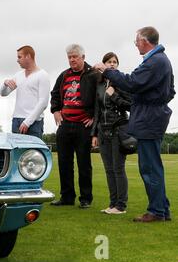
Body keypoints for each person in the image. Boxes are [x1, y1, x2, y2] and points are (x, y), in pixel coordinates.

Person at [94, 26, 175, 222]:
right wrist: (154, 102)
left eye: (137, 41)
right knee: (153, 166)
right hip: (153, 116)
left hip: (149, 119)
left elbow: (131, 83)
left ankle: (156, 211)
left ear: (145, 41)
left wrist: (108, 71)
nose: (135, 44)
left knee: (149, 167)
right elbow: (171, 91)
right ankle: (162, 209)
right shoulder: (161, 60)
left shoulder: (154, 61)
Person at [50, 44, 100, 208]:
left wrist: (93, 117)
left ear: (83, 57)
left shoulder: (93, 75)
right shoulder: (64, 75)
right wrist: (56, 110)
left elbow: (100, 99)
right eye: (69, 57)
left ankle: (86, 199)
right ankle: (67, 197)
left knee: (84, 164)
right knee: (64, 163)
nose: (72, 60)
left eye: (75, 57)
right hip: (65, 124)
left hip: (83, 126)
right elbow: (55, 94)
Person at [91, 52, 132, 215]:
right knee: (108, 169)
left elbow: (130, 105)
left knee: (118, 168)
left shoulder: (122, 84)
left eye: (115, 62)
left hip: (119, 129)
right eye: (109, 61)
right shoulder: (99, 85)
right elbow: (97, 111)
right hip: (103, 130)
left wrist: (114, 95)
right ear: (104, 65)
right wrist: (94, 133)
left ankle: (121, 206)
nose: (112, 64)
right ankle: (112, 203)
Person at [0, 45, 50, 139]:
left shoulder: (43, 75)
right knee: (16, 153)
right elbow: (3, 93)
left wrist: (27, 122)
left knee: (33, 152)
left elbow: (43, 103)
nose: (17, 60)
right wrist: (5, 83)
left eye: (19, 57)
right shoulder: (18, 75)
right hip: (17, 120)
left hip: (34, 122)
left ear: (28, 56)